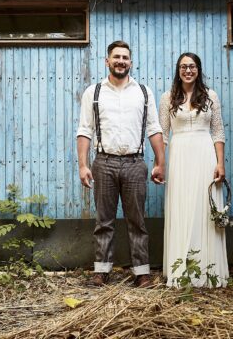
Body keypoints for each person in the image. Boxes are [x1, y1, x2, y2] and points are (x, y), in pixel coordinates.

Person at [77, 40, 165, 288]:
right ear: (107, 61)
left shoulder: (144, 92)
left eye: (125, 57)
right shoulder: (93, 93)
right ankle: (101, 271)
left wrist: (160, 162)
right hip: (103, 163)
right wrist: (83, 165)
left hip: (135, 163)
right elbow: (84, 130)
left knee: (137, 220)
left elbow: (154, 129)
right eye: (116, 57)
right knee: (103, 220)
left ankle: (142, 273)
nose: (120, 61)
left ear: (131, 62)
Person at [159, 52, 229, 288]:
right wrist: (160, 163)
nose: (187, 70)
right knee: (182, 207)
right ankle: (181, 270)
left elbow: (218, 132)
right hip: (179, 157)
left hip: (204, 155)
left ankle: (208, 271)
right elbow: (163, 136)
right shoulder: (167, 98)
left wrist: (220, 163)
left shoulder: (211, 97)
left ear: (198, 69)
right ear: (178, 70)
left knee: (203, 207)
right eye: (183, 67)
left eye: (192, 66)